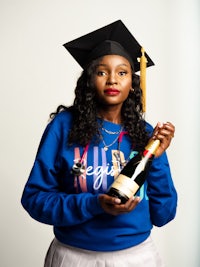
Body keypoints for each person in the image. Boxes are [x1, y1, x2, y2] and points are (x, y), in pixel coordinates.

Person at [21, 20, 177, 267]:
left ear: (133, 83)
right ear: (89, 80)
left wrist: (155, 160)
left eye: (122, 72)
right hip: (74, 256)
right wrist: (94, 204)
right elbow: (34, 199)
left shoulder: (146, 133)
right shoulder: (63, 127)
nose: (113, 80)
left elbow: (164, 214)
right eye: (102, 72)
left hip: (136, 257)